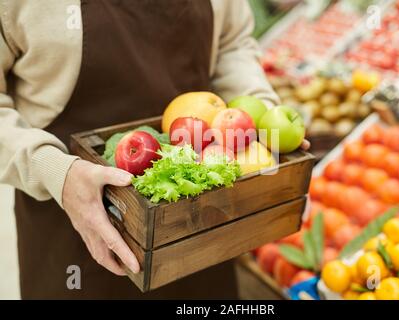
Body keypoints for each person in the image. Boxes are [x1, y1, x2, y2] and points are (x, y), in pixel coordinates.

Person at [0, 0, 308, 299]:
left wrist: (261, 117)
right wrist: (55, 172)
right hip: (70, 229)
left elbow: (232, 44)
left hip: (200, 221)